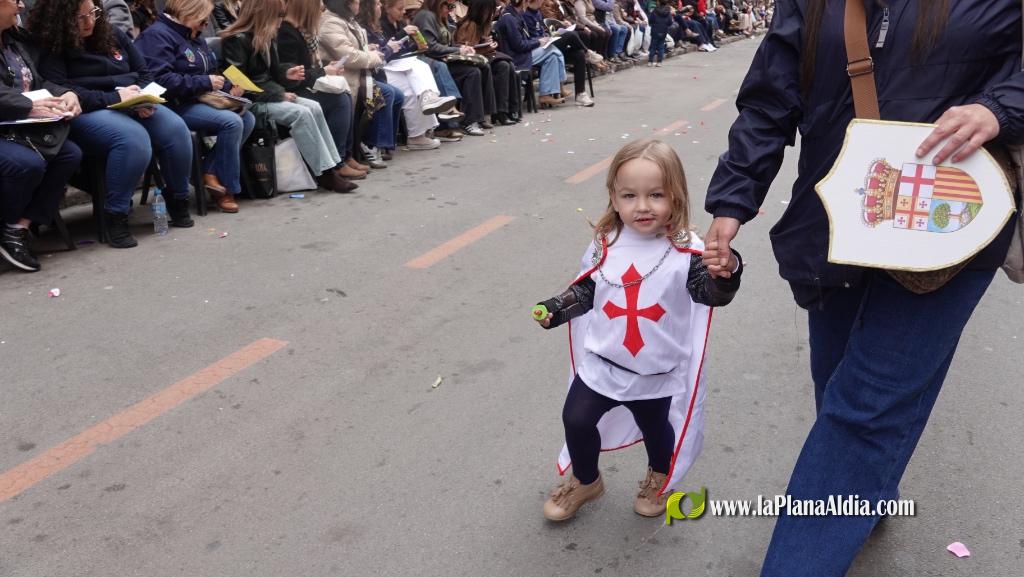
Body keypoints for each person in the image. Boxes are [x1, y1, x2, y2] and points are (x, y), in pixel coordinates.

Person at [703, 2, 1021, 576]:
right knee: (835, 380)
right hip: (836, 222)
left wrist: (999, 108)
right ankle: (860, 495)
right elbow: (771, 98)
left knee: (867, 409)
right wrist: (733, 199)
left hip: (949, 234)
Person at [534, 139, 742, 521]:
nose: (642, 206)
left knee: (656, 427)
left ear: (676, 196)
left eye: (656, 194)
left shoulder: (687, 251)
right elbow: (589, 290)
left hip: (654, 369)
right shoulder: (606, 243)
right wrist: (557, 309)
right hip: (603, 361)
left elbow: (709, 294)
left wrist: (725, 273)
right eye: (630, 195)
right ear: (614, 198)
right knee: (576, 419)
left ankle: (659, 479)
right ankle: (586, 480)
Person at [33, 0, 196, 248]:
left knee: (175, 129)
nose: (89, 22)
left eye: (93, 13)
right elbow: (62, 90)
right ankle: (116, 214)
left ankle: (178, 198)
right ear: (61, 19)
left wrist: (143, 97)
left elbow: (144, 73)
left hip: (131, 100)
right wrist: (115, 98)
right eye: (79, 17)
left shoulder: (112, 33)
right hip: (87, 109)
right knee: (132, 139)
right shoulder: (53, 45)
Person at [222, 0, 356, 193]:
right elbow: (238, 84)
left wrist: (286, 73)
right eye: (279, 15)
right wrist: (278, 94)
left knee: (314, 107)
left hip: (268, 94)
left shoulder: (266, 37)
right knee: (300, 113)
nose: (281, 20)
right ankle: (326, 173)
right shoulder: (236, 40)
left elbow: (272, 73)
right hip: (250, 102)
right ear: (265, 15)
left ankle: (332, 165)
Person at [135, 0, 256, 212]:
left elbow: (210, 71)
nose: (205, 24)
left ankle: (209, 172)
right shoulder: (157, 36)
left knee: (247, 118)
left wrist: (229, 87)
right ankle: (226, 190)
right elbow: (160, 80)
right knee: (232, 122)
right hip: (173, 104)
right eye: (202, 20)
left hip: (200, 98)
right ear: (188, 13)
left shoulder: (193, 35)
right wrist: (205, 82)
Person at [0, 0, 82, 272]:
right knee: (27, 163)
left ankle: (18, 227)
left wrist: (65, 93)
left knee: (69, 154)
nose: (22, 6)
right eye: (15, 0)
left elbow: (35, 82)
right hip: (8, 125)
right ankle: (6, 224)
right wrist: (28, 105)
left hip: (17, 125)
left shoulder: (14, 40)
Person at [277, 0, 368, 182]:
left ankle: (346, 155)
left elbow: (307, 69)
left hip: (304, 84)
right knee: (338, 100)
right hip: (294, 89)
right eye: (317, 5)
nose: (321, 8)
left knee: (344, 93)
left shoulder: (301, 31)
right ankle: (338, 161)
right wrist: (324, 71)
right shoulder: (287, 33)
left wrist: (326, 68)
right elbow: (294, 75)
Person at [358, 0, 456, 149]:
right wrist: (399, 37)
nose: (404, 12)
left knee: (411, 90)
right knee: (419, 65)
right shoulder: (369, 27)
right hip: (381, 69)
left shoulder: (387, 24)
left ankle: (418, 135)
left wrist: (416, 45)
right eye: (377, 4)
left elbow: (399, 50)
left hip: (394, 67)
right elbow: (383, 53)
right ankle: (428, 97)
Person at [319, 0, 405, 166]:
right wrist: (374, 56)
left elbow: (355, 48)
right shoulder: (330, 23)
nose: (359, 4)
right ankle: (370, 144)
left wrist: (367, 49)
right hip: (345, 76)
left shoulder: (347, 20)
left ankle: (383, 143)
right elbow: (348, 55)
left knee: (397, 94)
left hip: (359, 74)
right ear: (346, 4)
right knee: (385, 93)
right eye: (356, 2)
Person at [413, 0, 492, 136]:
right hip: (432, 63)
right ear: (437, 4)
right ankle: (467, 119)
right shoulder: (426, 16)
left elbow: (447, 44)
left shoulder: (438, 17)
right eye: (448, 6)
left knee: (481, 68)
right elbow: (431, 47)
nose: (450, 10)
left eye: (452, 6)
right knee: (472, 73)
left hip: (443, 61)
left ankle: (480, 116)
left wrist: (461, 48)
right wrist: (458, 50)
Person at [454, 0, 520, 124]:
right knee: (504, 66)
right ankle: (500, 112)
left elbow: (479, 44)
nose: (491, 13)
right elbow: (466, 49)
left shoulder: (484, 24)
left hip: (483, 56)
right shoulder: (468, 25)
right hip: (473, 60)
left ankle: (509, 109)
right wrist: (486, 47)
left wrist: (487, 42)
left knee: (508, 65)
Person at [495, 0, 567, 108]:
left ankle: (545, 95)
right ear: (523, 3)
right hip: (516, 57)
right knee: (552, 50)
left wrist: (540, 40)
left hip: (523, 53)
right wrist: (538, 42)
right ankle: (561, 84)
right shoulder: (509, 18)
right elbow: (519, 46)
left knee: (552, 57)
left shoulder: (516, 15)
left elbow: (526, 39)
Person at [522, 0, 592, 107]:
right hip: (537, 48)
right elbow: (528, 38)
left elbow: (545, 30)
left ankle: (580, 94)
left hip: (547, 42)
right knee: (570, 36)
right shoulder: (526, 13)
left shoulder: (538, 11)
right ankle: (590, 55)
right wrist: (545, 37)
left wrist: (557, 29)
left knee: (579, 54)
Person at [645, 0, 669, 67]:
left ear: (659, 2)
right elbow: (670, 22)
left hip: (655, 30)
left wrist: (653, 24)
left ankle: (650, 62)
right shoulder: (668, 11)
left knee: (653, 47)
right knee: (661, 47)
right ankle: (659, 62)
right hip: (664, 30)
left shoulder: (655, 11)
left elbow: (650, 20)